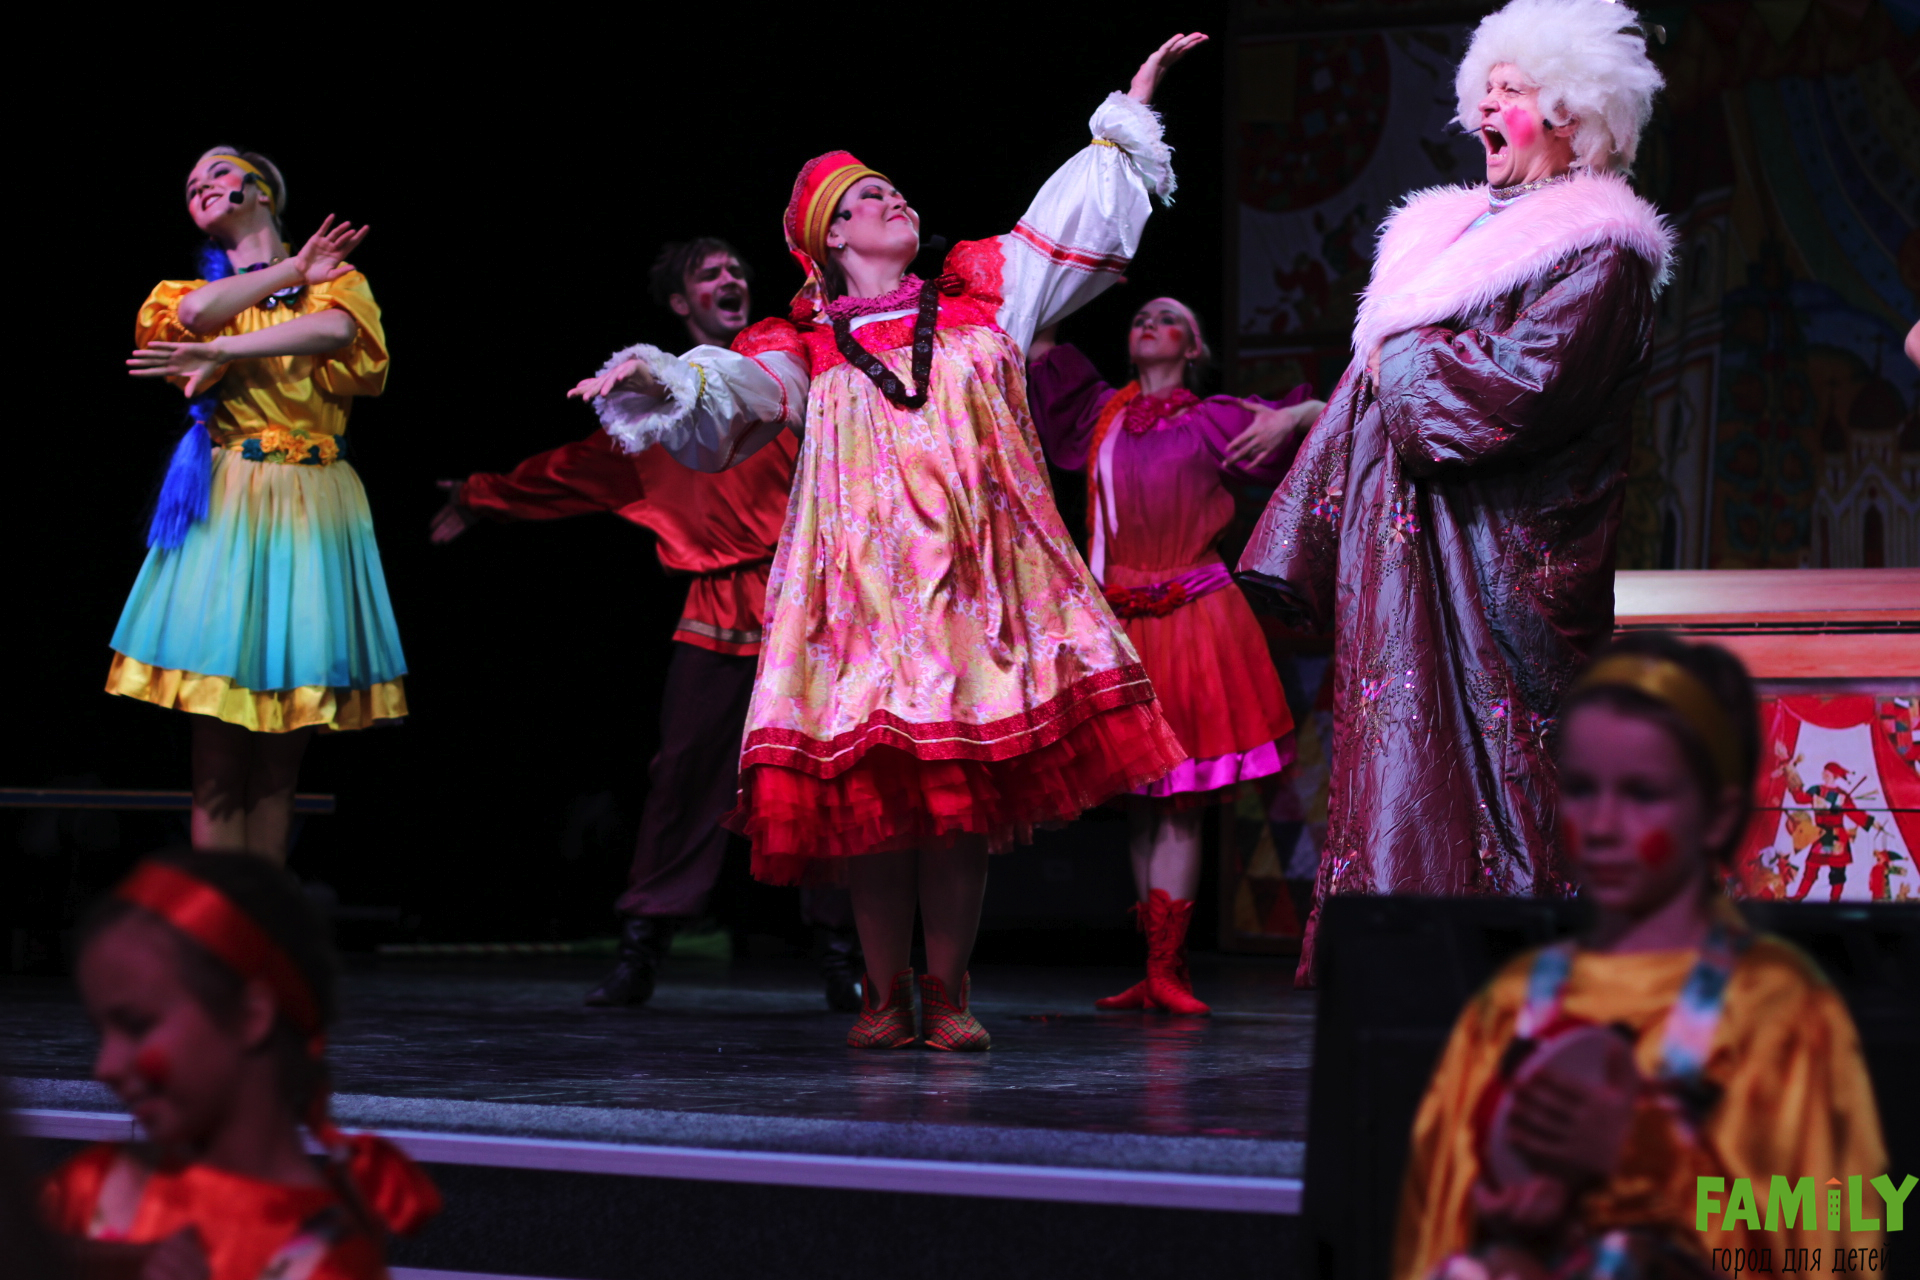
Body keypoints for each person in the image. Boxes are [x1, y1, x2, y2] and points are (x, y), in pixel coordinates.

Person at [568, 33, 1210, 1050]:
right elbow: (738, 392)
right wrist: (659, 377)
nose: (894, 199)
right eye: (868, 197)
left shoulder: (984, 295)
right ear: (830, 236)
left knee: (959, 812)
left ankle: (946, 994)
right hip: (863, 601)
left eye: (894, 188)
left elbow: (1072, 224)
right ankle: (881, 994)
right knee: (879, 812)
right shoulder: (803, 341)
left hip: (970, 593)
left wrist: (1126, 121)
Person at [1236, 0, 1677, 983]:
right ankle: (1399, 978)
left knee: (1511, 778)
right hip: (1418, 558)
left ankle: (1520, 989)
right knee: (1401, 764)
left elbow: (1514, 388)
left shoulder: (1601, 252)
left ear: (1572, 116)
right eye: (1485, 88)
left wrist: (1396, 348)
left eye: (1511, 91)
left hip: (1506, 567)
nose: (1485, 107)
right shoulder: (1454, 241)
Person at [429, 240, 862, 1012]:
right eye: (709, 274)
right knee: (684, 778)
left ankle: (840, 953)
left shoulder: (787, 368)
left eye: (735, 270)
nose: (730, 279)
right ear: (681, 304)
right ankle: (642, 947)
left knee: (825, 776)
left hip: (808, 599)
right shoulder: (656, 409)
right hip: (719, 607)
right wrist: (477, 496)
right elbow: (564, 473)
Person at [1394, 634, 1889, 1280]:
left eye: (1642, 794)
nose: (1601, 826)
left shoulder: (1780, 1011)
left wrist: (1642, 1157)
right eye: (1581, 788)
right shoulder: (1510, 1006)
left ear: (1718, 816)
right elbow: (1430, 1237)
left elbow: (1831, 1252)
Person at [1027, 300, 1322, 1013]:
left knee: (1181, 800)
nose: (1149, 320)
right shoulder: (1098, 415)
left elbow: (1322, 422)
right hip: (1124, 624)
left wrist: (1300, 412)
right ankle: (1153, 966)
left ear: (1195, 348)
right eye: (1141, 316)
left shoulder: (1214, 419)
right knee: (1140, 803)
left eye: (1169, 317)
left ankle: (1170, 967)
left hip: (1195, 619)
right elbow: (1038, 347)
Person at [112, 147, 404, 863]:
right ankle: (216, 913)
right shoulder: (190, 291)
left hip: (312, 500)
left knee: (282, 749)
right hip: (233, 500)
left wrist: (229, 352)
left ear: (262, 189)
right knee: (216, 752)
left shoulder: (338, 284)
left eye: (218, 171)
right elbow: (196, 313)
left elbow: (338, 334)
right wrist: (293, 269)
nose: (202, 185)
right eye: (192, 185)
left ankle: (260, 915)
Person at [40, 851, 440, 1280]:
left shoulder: (325, 1262)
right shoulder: (94, 1185)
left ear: (252, 1015)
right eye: (101, 1033)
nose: (104, 1066)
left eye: (137, 1026)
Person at [1783, 761, 1876, 903]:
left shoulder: (1842, 795)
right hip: (1821, 834)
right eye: (1824, 772)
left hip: (1837, 836)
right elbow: (1800, 798)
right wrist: (1792, 776)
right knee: (1811, 866)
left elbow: (1853, 813)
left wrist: (1869, 821)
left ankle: (1834, 900)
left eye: (1828, 773)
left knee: (1837, 871)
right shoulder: (1816, 790)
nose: (1824, 775)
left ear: (1834, 776)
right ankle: (1799, 896)